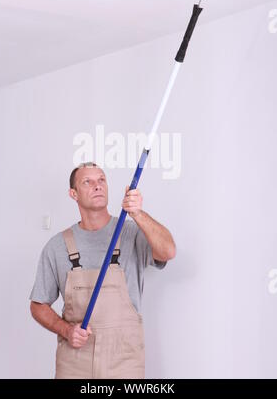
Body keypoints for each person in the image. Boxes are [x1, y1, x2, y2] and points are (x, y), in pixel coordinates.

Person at [30, 162, 176, 379]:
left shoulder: (130, 232)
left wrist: (138, 214)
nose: (97, 186)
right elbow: (38, 304)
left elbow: (168, 251)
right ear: (74, 194)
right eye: (87, 182)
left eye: (101, 180)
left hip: (124, 361)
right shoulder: (57, 246)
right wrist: (66, 330)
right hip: (75, 363)